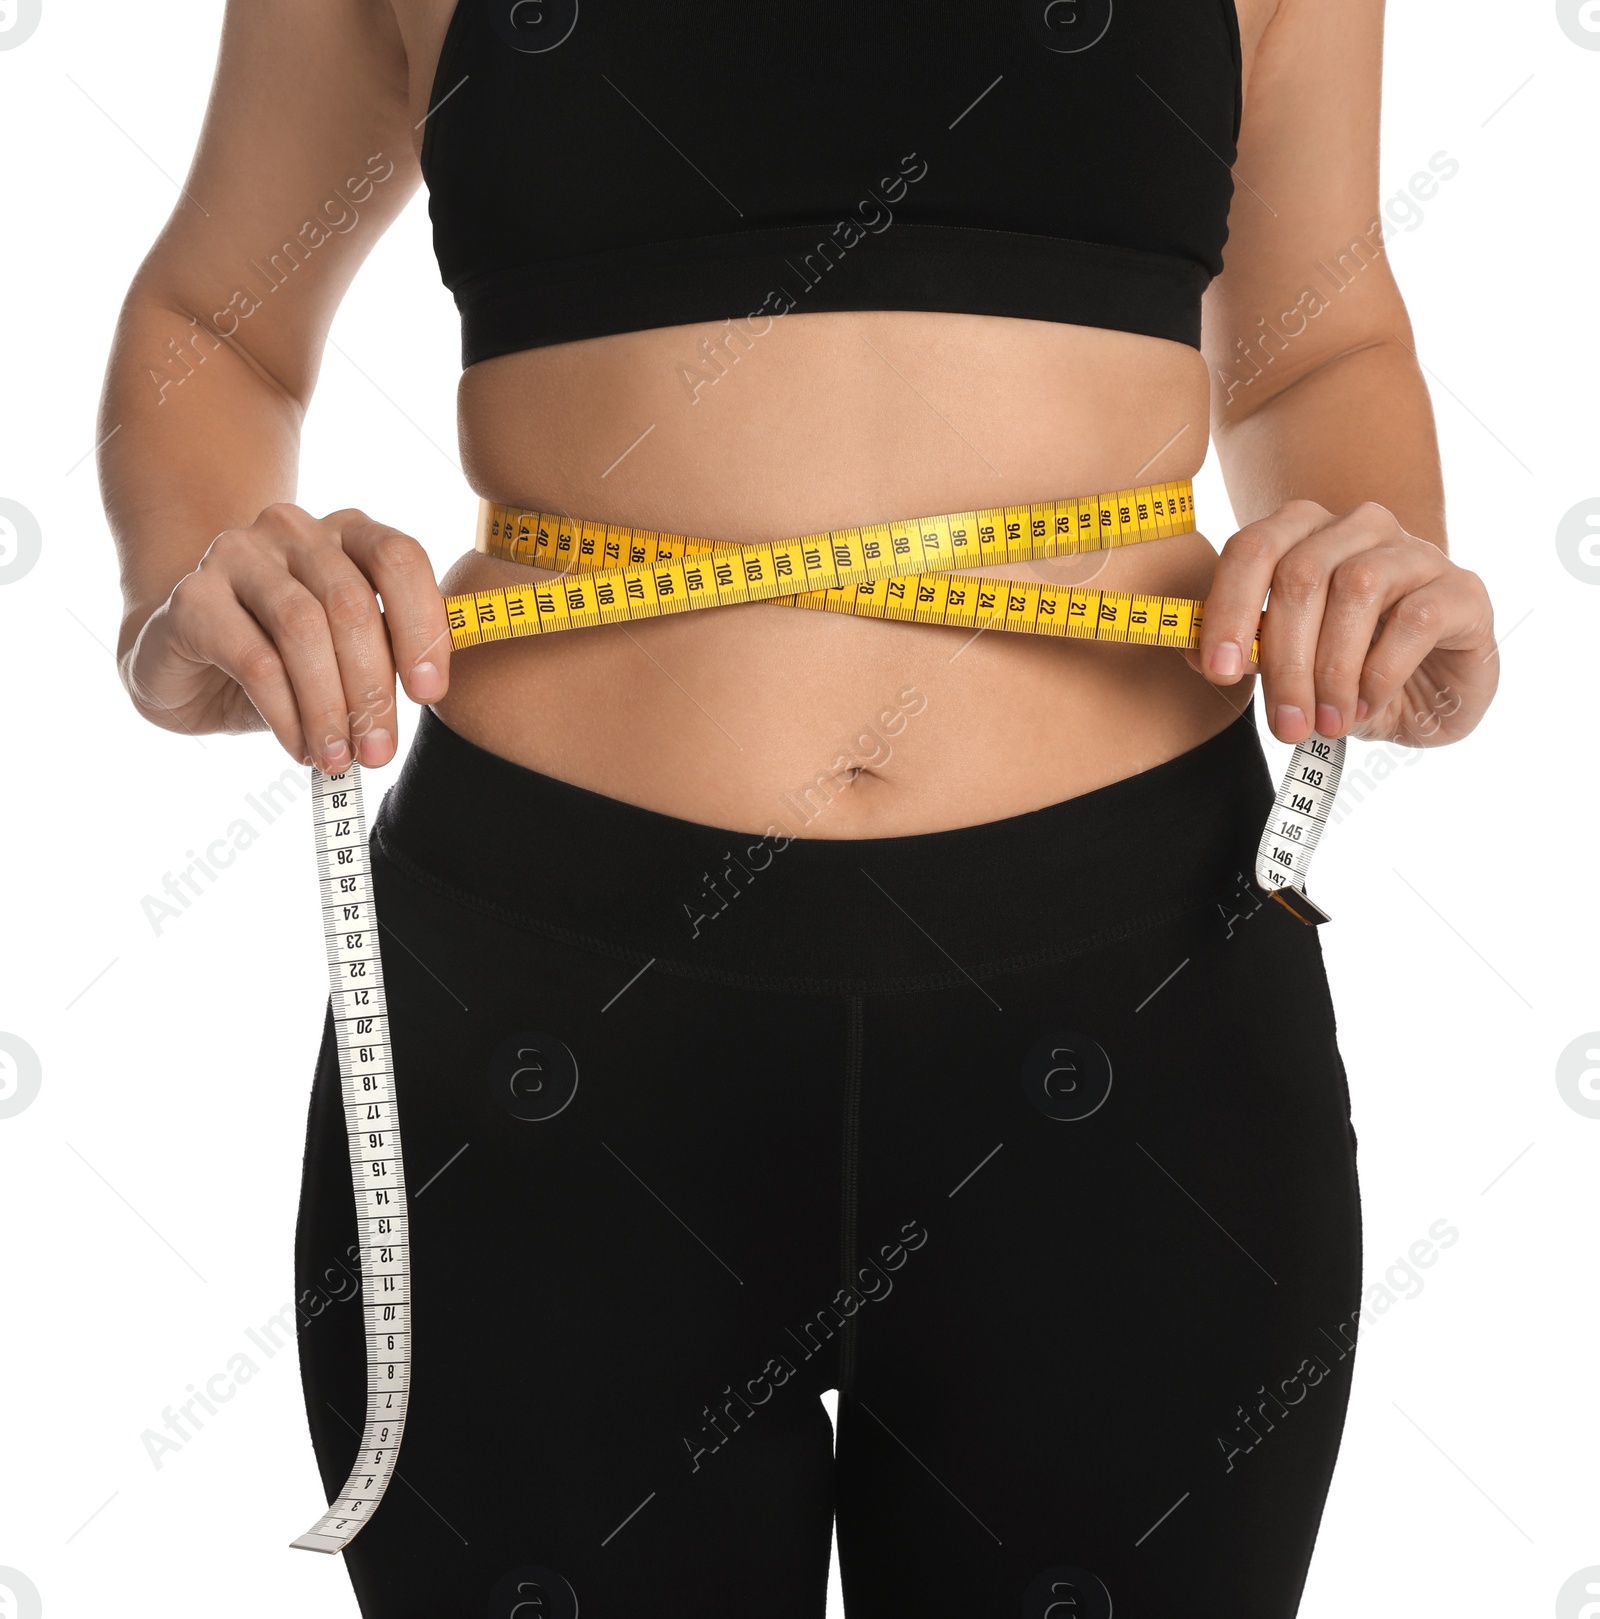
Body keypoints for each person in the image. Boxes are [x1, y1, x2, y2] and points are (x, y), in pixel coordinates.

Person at [99, 0, 1497, 1613]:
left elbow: (1318, 345)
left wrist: (1373, 561)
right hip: (550, 1023)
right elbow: (218, 320)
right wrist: (192, 587)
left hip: (1137, 998)